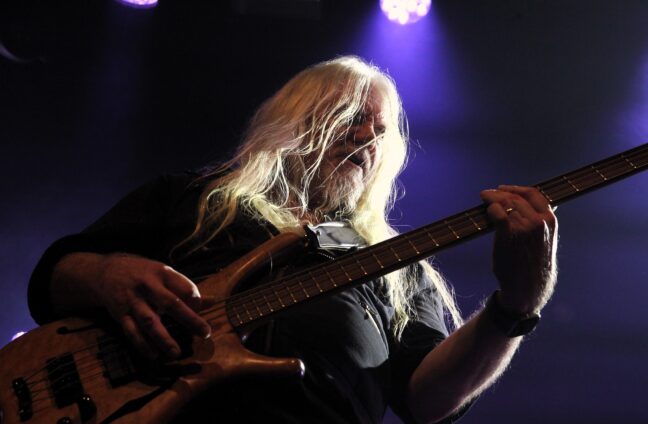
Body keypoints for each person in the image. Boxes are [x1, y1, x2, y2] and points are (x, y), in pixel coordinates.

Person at [28, 56, 558, 423]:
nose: (367, 139)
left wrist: (517, 306)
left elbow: (428, 400)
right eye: (352, 118)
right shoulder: (194, 197)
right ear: (294, 120)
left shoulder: (397, 267)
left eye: (380, 132)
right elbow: (52, 277)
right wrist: (105, 274)